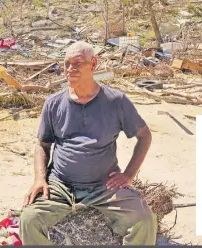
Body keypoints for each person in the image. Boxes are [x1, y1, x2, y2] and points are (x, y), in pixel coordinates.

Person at [20, 41, 157, 245]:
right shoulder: (53, 103)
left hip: (104, 186)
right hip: (61, 185)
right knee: (29, 220)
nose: (70, 69)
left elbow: (144, 136)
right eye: (67, 64)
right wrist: (39, 179)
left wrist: (128, 175)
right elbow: (43, 144)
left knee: (145, 220)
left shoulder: (116, 101)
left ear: (93, 64)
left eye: (77, 63)